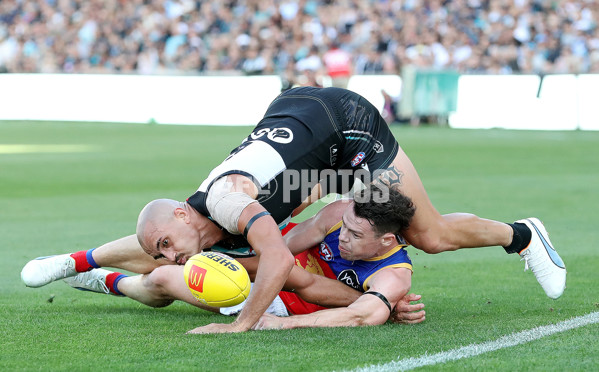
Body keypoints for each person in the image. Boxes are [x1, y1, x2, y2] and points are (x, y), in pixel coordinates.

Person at [21, 86, 566, 334]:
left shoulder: (227, 202)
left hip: (347, 128)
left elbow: (281, 261)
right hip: (300, 135)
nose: (168, 251)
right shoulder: (194, 216)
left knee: (429, 235)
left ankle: (521, 234)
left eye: (167, 243)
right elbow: (166, 240)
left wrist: (246, 325)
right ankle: (76, 264)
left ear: (187, 220)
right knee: (183, 265)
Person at [55, 186, 426, 329]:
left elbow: (360, 315)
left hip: (285, 304)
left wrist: (280, 325)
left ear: (388, 240)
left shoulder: (394, 277)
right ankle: (81, 260)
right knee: (185, 253)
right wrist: (230, 258)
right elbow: (284, 247)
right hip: (274, 263)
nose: (342, 236)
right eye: (345, 226)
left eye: (355, 236)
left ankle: (106, 281)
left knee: (162, 279)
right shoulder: (340, 214)